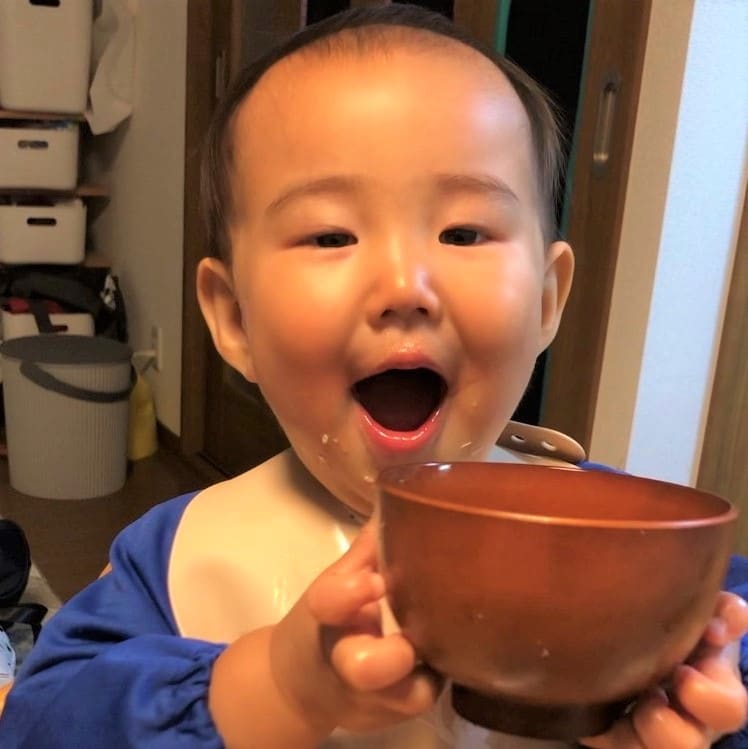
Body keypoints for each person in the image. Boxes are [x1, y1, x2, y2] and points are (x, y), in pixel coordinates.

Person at [1, 6, 747, 748]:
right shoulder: (175, 558)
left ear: (547, 299)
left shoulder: (630, 547)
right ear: (234, 318)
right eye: (331, 235)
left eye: (463, 232)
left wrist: (691, 707)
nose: (404, 285)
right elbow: (41, 722)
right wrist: (276, 687)